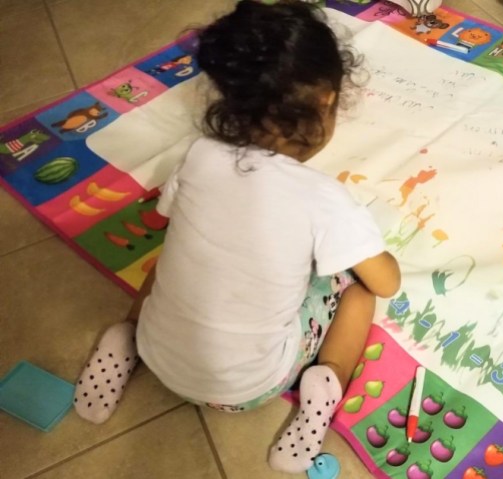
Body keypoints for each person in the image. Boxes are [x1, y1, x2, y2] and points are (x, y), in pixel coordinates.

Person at [71, 1, 401, 474]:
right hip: (248, 389)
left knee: (170, 262)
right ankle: (322, 393)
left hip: (157, 351)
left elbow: (173, 217)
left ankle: (123, 339)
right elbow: (386, 282)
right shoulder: (323, 197)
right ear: (327, 102)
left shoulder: (199, 154)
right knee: (359, 295)